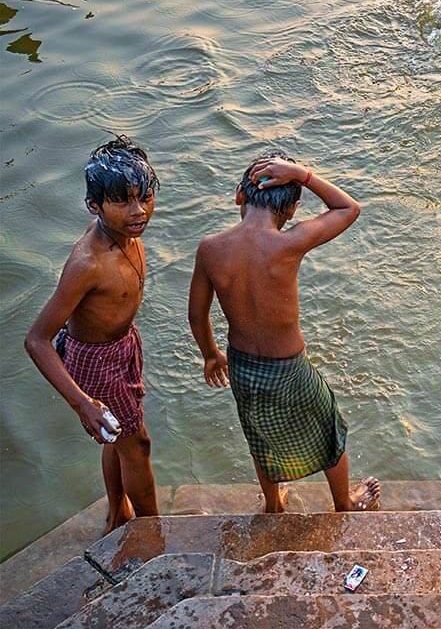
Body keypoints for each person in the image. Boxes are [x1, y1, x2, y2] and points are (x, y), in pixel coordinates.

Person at [188, 153, 380, 513]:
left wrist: (211, 354)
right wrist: (303, 175)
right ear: (291, 210)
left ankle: (274, 503)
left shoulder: (210, 248)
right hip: (288, 368)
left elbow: (196, 314)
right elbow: (348, 208)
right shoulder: (289, 243)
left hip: (244, 366)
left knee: (259, 433)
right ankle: (345, 503)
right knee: (328, 427)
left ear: (238, 196)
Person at [25, 136, 160, 534]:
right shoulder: (88, 263)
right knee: (138, 446)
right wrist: (84, 404)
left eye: (144, 196)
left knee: (116, 437)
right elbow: (37, 339)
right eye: (122, 201)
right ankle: (153, 533)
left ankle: (119, 512)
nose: (139, 211)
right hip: (96, 361)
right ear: (94, 206)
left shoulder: (126, 233)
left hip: (120, 346)